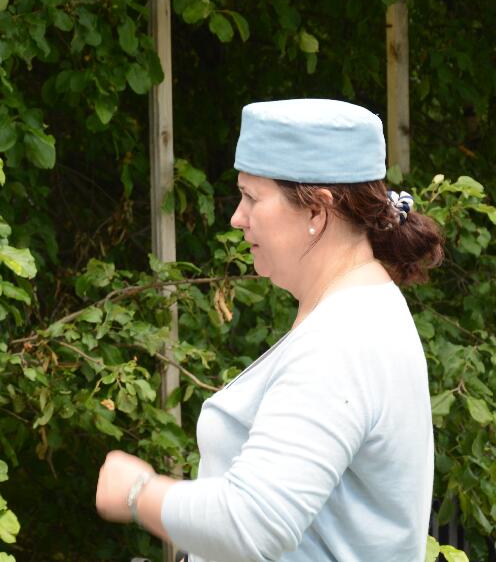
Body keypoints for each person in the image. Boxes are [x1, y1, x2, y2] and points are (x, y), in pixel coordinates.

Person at [95, 98, 443, 561]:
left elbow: (253, 524)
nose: (237, 217)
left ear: (317, 211)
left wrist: (138, 492)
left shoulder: (341, 342)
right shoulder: (363, 309)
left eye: (253, 197)